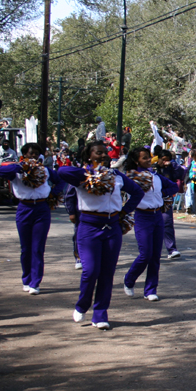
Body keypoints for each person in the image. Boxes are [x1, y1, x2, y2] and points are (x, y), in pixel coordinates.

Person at [57, 141, 144, 329]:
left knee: (107, 273)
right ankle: (82, 304)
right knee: (90, 271)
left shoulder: (116, 176)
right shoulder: (83, 176)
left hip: (112, 227)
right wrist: (89, 173)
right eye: (99, 153)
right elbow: (62, 171)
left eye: (106, 152)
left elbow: (137, 192)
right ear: (89, 155)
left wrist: (124, 211)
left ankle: (100, 314)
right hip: (89, 227)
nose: (104, 155)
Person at [0, 143, 60, 295]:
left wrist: (53, 193)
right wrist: (20, 167)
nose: (34, 156)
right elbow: (1, 171)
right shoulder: (16, 171)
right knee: (25, 248)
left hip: (41, 209)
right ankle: (26, 279)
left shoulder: (45, 170)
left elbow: (61, 180)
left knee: (38, 248)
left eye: (36, 154)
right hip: (24, 208)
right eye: (31, 154)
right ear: (24, 154)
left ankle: (35, 282)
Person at [122, 147, 179, 301]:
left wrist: (162, 193)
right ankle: (129, 279)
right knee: (145, 254)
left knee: (155, 256)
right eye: (144, 158)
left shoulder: (156, 176)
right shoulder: (132, 177)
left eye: (149, 157)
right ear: (136, 161)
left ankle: (150, 290)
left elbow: (174, 186)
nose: (149, 160)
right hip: (142, 217)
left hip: (157, 216)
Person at [156, 150, 183, 259]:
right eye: (163, 160)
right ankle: (151, 251)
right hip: (152, 200)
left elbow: (180, 174)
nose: (165, 162)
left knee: (167, 223)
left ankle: (172, 249)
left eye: (167, 160)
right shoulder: (153, 169)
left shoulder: (172, 167)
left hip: (166, 199)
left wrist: (173, 164)